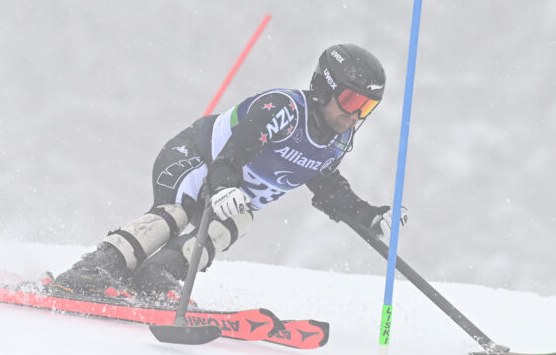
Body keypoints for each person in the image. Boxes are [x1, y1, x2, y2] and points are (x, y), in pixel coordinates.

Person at [48, 43, 407, 303]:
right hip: (196, 159)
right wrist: (221, 185)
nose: (355, 115)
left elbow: (328, 187)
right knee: (176, 213)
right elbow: (233, 155)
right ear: (325, 88)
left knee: (232, 222)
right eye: (351, 101)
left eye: (367, 107)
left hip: (229, 190)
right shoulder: (282, 109)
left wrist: (369, 216)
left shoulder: (336, 141)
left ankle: (156, 279)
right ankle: (93, 269)